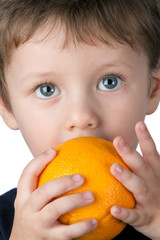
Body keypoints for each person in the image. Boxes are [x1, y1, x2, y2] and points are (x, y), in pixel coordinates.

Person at [0, 0, 160, 239]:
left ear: (152, 91)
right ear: (8, 107)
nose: (81, 117)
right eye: (47, 89)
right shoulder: (6, 222)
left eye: (110, 82)